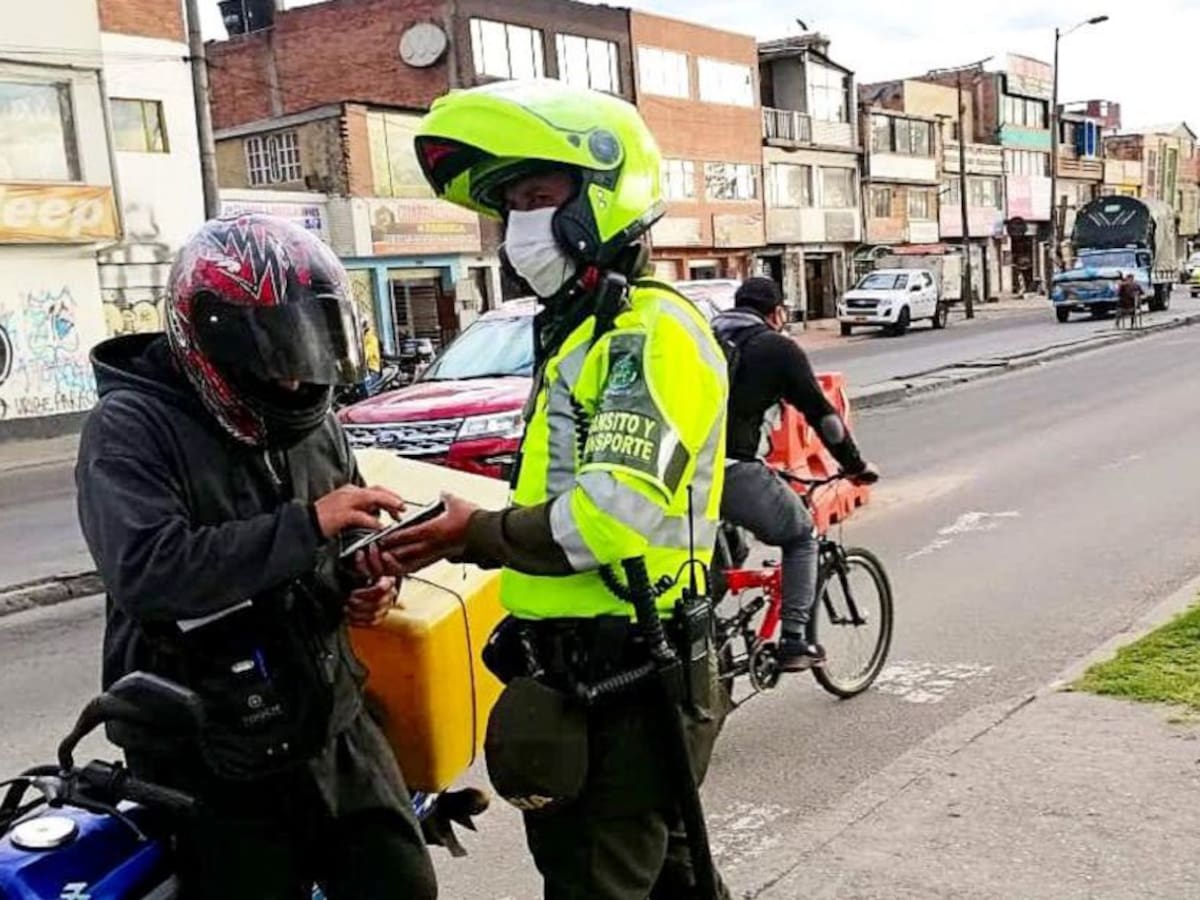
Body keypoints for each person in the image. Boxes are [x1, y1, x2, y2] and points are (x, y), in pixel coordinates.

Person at [384, 79, 731, 899]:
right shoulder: (586, 333)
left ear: (603, 201)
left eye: (539, 196)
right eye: (510, 208)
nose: (521, 226)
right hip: (589, 675)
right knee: (672, 883)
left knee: (598, 882)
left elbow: (612, 518)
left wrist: (476, 533)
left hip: (623, 679)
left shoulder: (647, 334)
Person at [75, 214, 437, 900]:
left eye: (308, 352)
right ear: (209, 340)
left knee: (403, 885)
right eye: (275, 355)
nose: (297, 379)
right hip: (207, 749)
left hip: (330, 719)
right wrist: (309, 523)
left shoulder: (313, 421)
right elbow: (149, 571)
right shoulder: (130, 427)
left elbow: (322, 554)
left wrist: (357, 583)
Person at [712, 277, 878, 671]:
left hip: (673, 472)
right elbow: (823, 416)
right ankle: (794, 642)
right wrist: (855, 467)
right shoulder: (776, 348)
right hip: (729, 468)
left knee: (715, 550)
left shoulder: (703, 336)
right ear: (776, 313)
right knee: (801, 535)